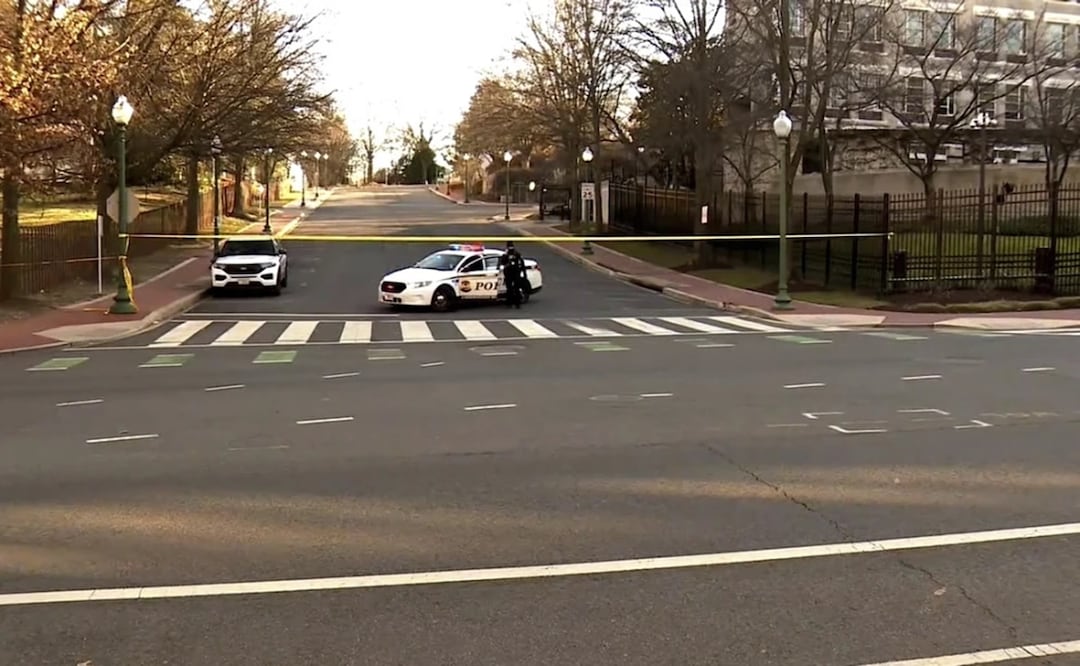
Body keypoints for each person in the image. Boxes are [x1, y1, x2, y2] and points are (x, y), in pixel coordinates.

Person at [500, 243, 525, 308]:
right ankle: (511, 303)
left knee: (515, 289)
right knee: (510, 289)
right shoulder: (508, 254)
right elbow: (502, 262)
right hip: (510, 273)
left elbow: (522, 263)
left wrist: (523, 273)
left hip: (514, 273)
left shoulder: (516, 254)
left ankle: (515, 303)